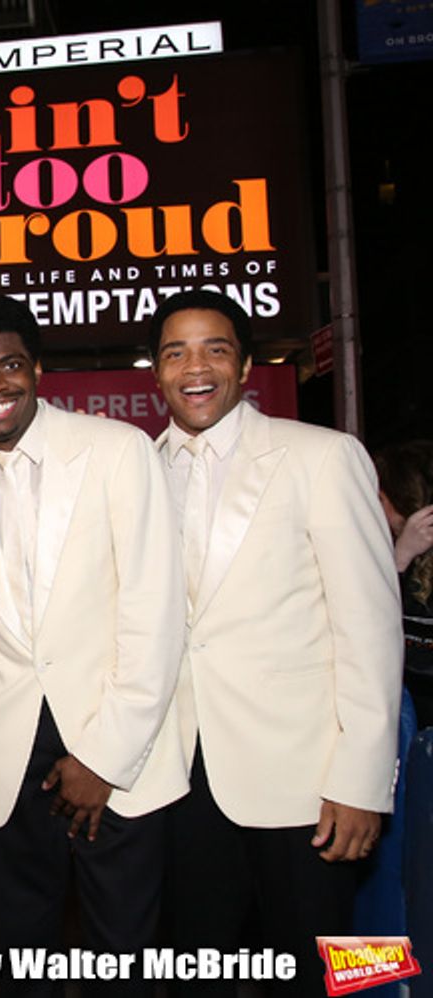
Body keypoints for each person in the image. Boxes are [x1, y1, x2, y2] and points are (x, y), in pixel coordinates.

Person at [0, 294, 186, 996]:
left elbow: (155, 613)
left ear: (38, 368)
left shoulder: (116, 451)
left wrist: (104, 757)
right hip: (10, 761)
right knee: (24, 956)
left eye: (9, 365)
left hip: (120, 751)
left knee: (121, 961)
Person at [149, 289, 402, 995]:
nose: (195, 367)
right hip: (180, 780)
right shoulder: (138, 471)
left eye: (215, 348)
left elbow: (370, 628)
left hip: (306, 788)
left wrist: (360, 782)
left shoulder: (321, 457)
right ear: (157, 373)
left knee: (319, 976)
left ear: (248, 365)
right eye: (176, 352)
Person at [374, 440, 433, 727]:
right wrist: (399, 559)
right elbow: (371, 625)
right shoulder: (384, 555)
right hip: (407, 720)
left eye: (381, 499)